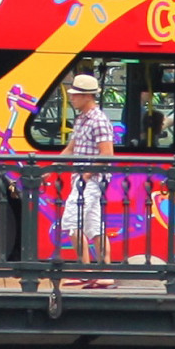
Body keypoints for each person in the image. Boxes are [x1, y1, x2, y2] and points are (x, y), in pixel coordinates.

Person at [60, 72, 114, 285]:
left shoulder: (98, 120)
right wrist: (50, 168)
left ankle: (85, 271)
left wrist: (87, 174)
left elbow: (107, 154)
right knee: (93, 226)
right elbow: (71, 148)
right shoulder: (82, 118)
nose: (71, 98)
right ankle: (105, 273)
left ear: (87, 97)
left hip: (90, 180)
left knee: (72, 222)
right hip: (84, 179)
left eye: (75, 95)